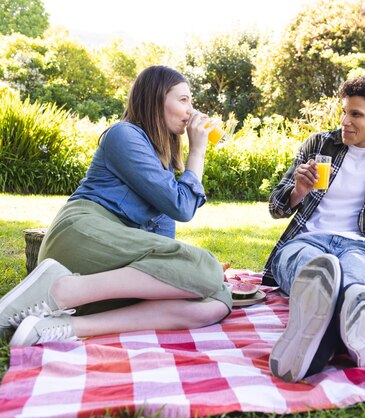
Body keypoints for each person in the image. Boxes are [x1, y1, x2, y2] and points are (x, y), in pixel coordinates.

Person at [0, 66, 232, 346]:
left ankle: (65, 326)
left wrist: (186, 274)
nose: (190, 110)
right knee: (205, 268)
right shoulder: (124, 135)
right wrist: (198, 150)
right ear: (155, 99)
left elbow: (161, 247)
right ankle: (60, 287)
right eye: (183, 100)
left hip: (107, 269)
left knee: (218, 297)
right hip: (82, 236)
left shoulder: (164, 165)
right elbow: (181, 207)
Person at [263, 75, 365, 382]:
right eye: (344, 112)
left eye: (356, 114)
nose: (346, 121)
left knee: (356, 283)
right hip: (306, 239)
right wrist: (298, 190)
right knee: (313, 270)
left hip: (358, 246)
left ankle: (318, 335)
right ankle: (353, 336)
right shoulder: (319, 144)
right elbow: (276, 208)